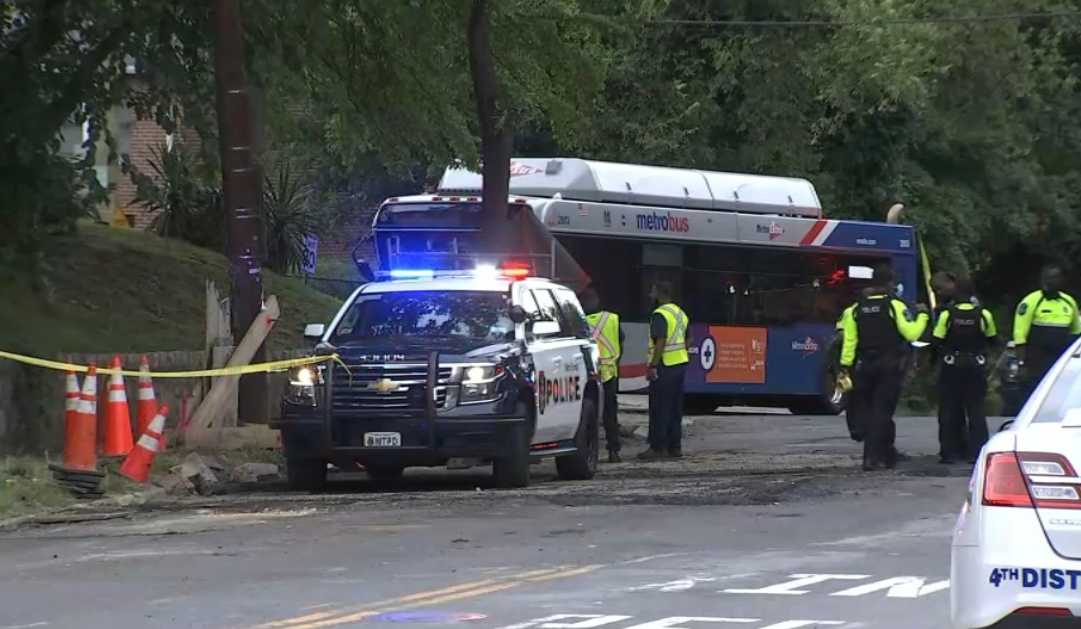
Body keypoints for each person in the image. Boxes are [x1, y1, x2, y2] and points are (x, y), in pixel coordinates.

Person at [839, 264, 931, 470]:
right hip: (889, 366)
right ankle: (873, 457)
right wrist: (923, 316)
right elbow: (911, 333)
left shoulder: (857, 309)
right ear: (890, 284)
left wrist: (845, 366)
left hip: (864, 366)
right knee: (881, 412)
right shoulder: (894, 306)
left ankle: (877, 456)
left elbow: (850, 341)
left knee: (869, 409)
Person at [931, 276, 997, 464]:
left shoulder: (947, 314)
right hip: (975, 365)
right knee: (975, 409)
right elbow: (992, 338)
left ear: (956, 293)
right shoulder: (983, 314)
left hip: (952, 366)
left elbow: (937, 341)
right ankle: (977, 451)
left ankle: (950, 452)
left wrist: (932, 363)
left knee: (949, 408)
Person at [639, 280, 691, 460]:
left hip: (664, 366)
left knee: (659, 407)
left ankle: (657, 447)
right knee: (675, 408)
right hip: (680, 365)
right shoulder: (680, 313)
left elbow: (660, 340)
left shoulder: (660, 314)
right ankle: (674, 447)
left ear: (660, 293)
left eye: (652, 291)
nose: (650, 295)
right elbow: (689, 340)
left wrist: (653, 365)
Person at [1014, 265, 1081, 401]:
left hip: (1060, 360)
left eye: (1053, 278)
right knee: (1033, 396)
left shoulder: (1069, 302)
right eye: (1046, 278)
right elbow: (1019, 334)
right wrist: (1021, 364)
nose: (1048, 282)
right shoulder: (1031, 301)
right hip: (1036, 360)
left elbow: (1076, 332)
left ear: (1061, 280)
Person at [580, 287, 626, 463]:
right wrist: (615, 360)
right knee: (609, 415)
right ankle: (614, 451)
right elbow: (621, 340)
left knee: (587, 415)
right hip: (609, 373)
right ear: (597, 300)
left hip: (588, 376)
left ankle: (587, 452)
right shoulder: (612, 318)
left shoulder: (579, 322)